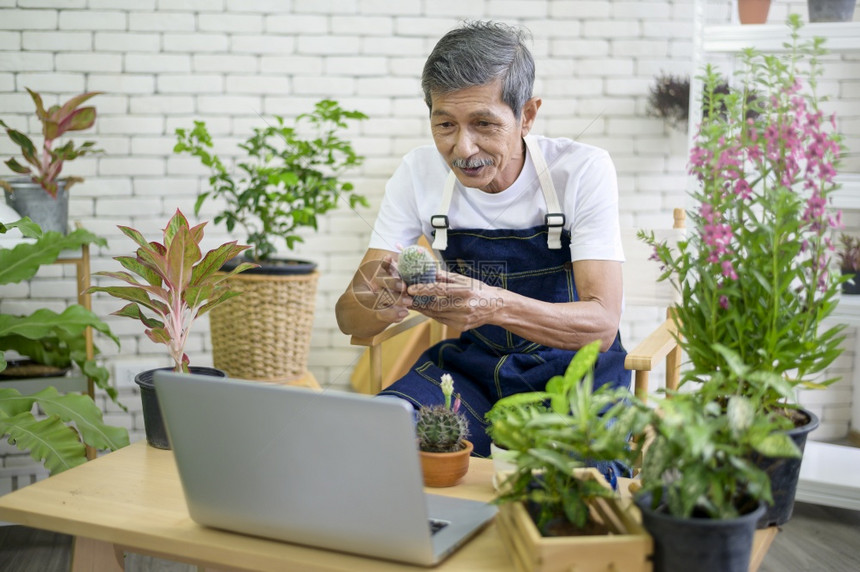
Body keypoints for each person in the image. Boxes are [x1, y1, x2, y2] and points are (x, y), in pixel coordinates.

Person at [336, 20, 629, 458]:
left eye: (483, 124)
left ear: (526, 115)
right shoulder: (418, 174)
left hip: (576, 376)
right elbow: (348, 316)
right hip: (474, 371)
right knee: (379, 436)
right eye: (445, 125)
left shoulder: (581, 170)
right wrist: (384, 300)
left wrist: (492, 303)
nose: (463, 149)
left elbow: (602, 326)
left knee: (570, 485)